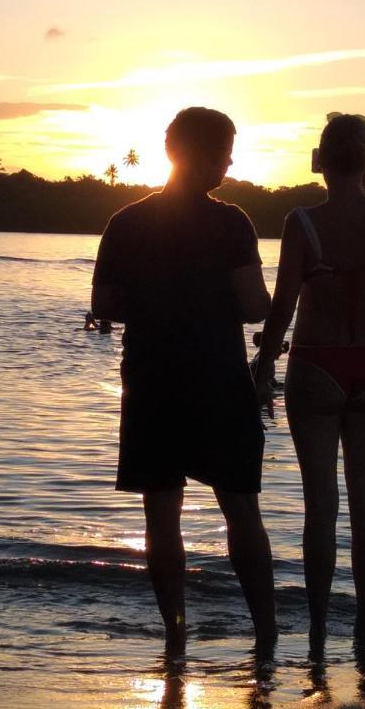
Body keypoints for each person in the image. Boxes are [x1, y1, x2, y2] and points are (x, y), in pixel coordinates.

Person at [92, 106, 277, 661]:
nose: (230, 162)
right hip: (219, 382)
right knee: (241, 510)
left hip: (151, 382)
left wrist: (157, 300)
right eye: (224, 152)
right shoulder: (231, 222)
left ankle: (176, 640)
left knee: (161, 516)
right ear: (198, 155)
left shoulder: (126, 222)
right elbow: (252, 306)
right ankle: (265, 636)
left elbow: (104, 306)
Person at [253, 114, 365, 658]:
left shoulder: (302, 222)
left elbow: (282, 306)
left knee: (320, 505)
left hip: (318, 360)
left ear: (320, 160)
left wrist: (263, 365)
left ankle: (321, 628)